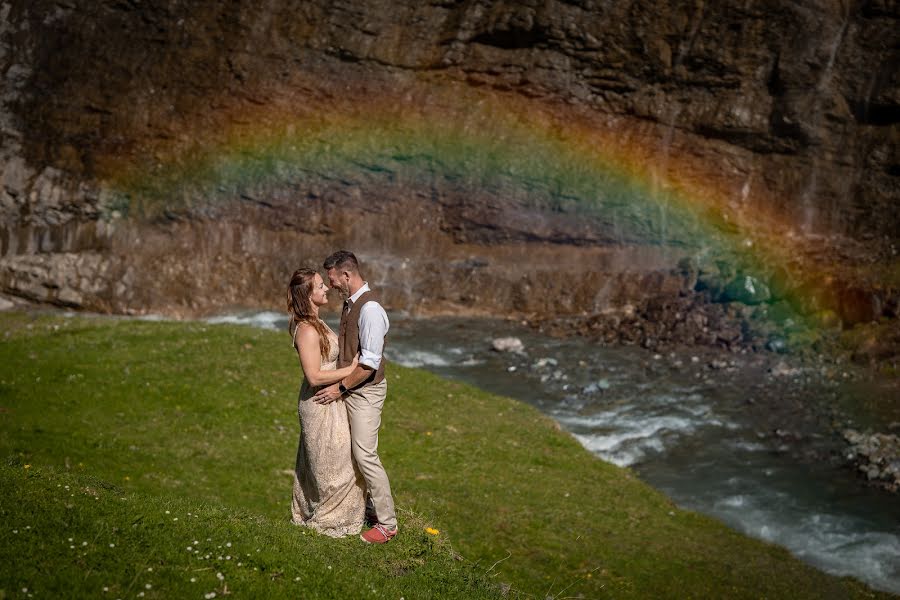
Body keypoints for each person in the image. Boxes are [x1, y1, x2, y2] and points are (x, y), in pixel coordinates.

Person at [312, 250, 398, 544]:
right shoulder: (351, 305)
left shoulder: (370, 309)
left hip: (365, 393)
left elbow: (369, 364)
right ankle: (367, 509)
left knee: (365, 455)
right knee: (350, 453)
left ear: (346, 275)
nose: (331, 284)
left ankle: (387, 524)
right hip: (353, 389)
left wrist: (338, 388)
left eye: (333, 279)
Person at [287, 267, 365, 537]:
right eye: (320, 286)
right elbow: (314, 376)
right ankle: (328, 520)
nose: (326, 289)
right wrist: (354, 368)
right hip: (318, 403)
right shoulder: (307, 329)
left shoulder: (316, 322)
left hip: (332, 399)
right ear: (307, 294)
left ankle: (338, 514)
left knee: (338, 459)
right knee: (330, 463)